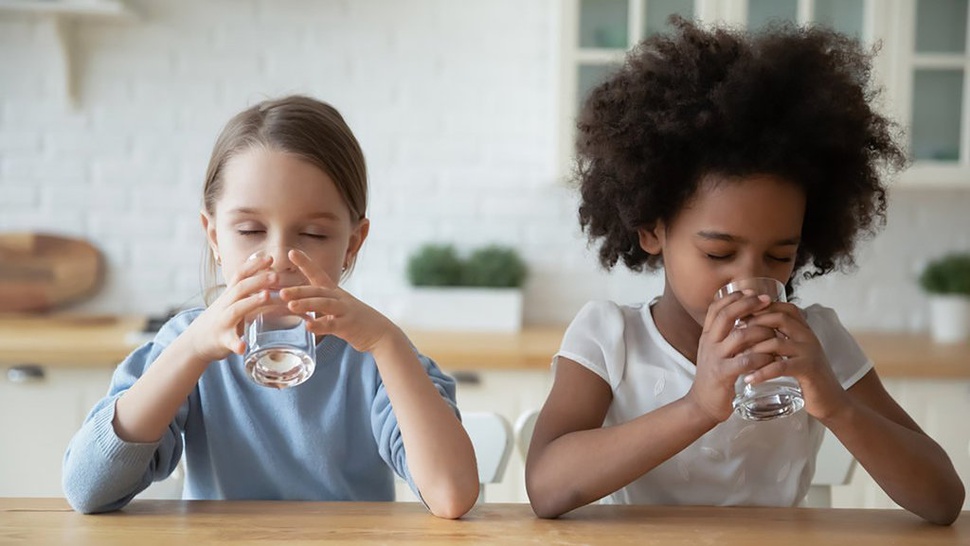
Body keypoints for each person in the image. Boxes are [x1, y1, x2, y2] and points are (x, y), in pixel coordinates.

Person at [525, 19, 964, 524]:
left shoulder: (815, 342)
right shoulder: (611, 338)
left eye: (779, 257)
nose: (750, 280)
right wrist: (697, 408)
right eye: (718, 254)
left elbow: (943, 499)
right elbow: (546, 489)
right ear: (651, 230)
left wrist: (837, 406)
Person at [63, 95, 480, 518]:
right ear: (214, 237)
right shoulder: (185, 344)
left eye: (314, 234)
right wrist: (192, 350)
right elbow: (86, 489)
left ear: (352, 244)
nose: (279, 258)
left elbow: (451, 495)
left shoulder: (376, 353)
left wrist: (386, 343)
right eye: (250, 230)